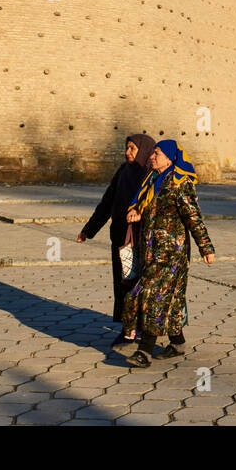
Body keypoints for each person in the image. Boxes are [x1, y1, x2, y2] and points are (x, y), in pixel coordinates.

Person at [123, 139, 215, 368]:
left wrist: (206, 247)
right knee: (169, 300)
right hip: (151, 250)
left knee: (149, 296)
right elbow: (143, 206)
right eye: (153, 153)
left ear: (170, 158)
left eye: (157, 153)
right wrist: (135, 211)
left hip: (171, 254)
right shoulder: (152, 179)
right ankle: (177, 343)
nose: (152, 157)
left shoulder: (179, 184)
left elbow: (193, 217)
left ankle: (144, 352)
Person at [77, 133, 156, 342]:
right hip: (122, 239)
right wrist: (89, 229)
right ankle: (127, 327)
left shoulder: (151, 175)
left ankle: (145, 328)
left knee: (142, 284)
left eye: (132, 148)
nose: (127, 153)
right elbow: (107, 202)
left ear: (144, 150)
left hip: (144, 239)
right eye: (127, 148)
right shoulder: (123, 172)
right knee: (124, 282)